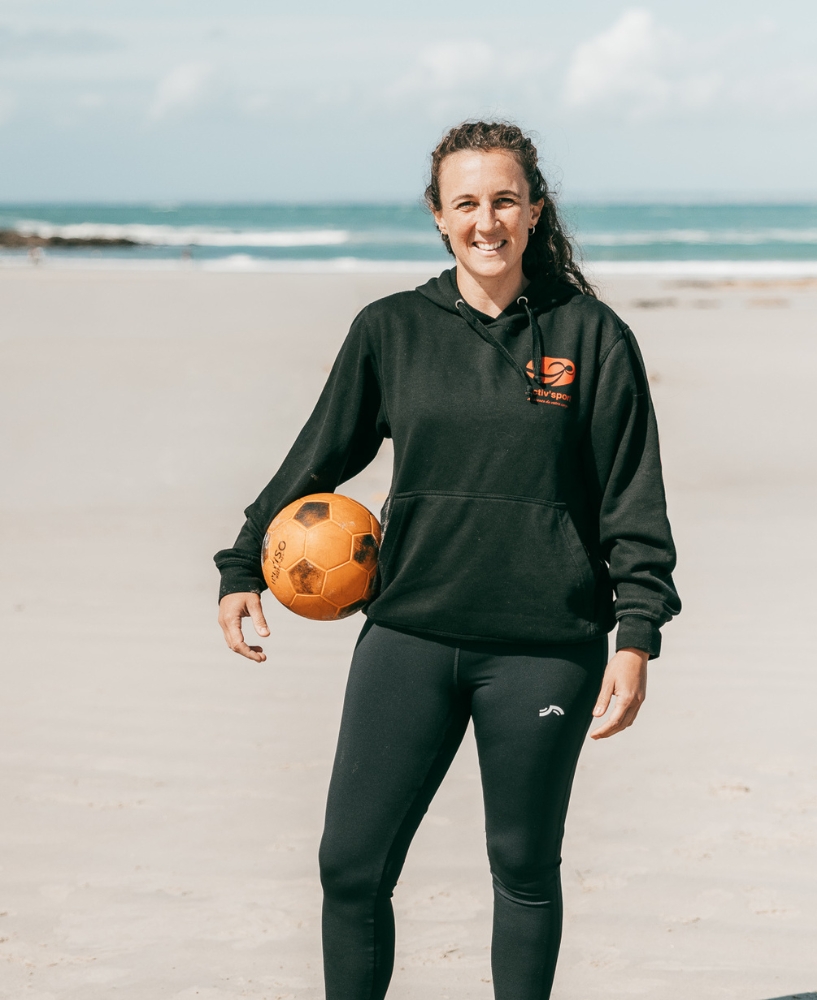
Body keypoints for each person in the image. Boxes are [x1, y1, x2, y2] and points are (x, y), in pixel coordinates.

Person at [215, 120, 681, 1000]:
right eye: (466, 203)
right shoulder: (392, 330)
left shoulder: (592, 336)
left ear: (535, 211)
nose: (486, 221)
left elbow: (632, 500)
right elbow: (317, 457)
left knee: (523, 866)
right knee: (350, 866)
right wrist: (244, 563)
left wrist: (637, 633)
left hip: (545, 646)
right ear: (438, 215)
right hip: (411, 636)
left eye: (505, 200)